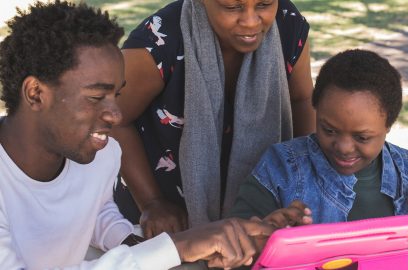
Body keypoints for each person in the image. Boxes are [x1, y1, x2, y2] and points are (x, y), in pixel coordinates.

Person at [0, 1, 279, 269]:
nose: (116, 114)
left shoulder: (102, 154)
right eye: (96, 97)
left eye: (116, 95)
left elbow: (94, 213)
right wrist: (176, 247)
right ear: (36, 93)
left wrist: (138, 244)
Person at [111, 0, 316, 238]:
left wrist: (304, 184)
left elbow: (302, 100)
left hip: (261, 219)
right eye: (232, 7)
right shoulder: (159, 41)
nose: (250, 21)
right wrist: (152, 202)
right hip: (166, 223)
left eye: (264, 4)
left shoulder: (288, 23)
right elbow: (113, 118)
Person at [229, 49, 408, 233]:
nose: (343, 147)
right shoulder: (280, 167)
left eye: (362, 137)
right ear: (316, 111)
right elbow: (237, 237)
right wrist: (266, 231)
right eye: (329, 130)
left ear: (388, 125)